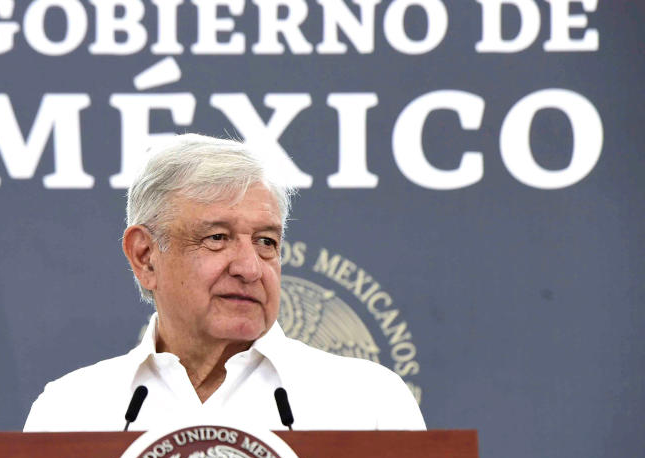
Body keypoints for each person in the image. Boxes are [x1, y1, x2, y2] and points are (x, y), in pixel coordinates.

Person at [24, 134, 425, 432]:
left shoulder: (369, 403)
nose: (250, 268)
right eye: (217, 238)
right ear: (145, 256)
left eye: (266, 242)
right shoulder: (69, 412)